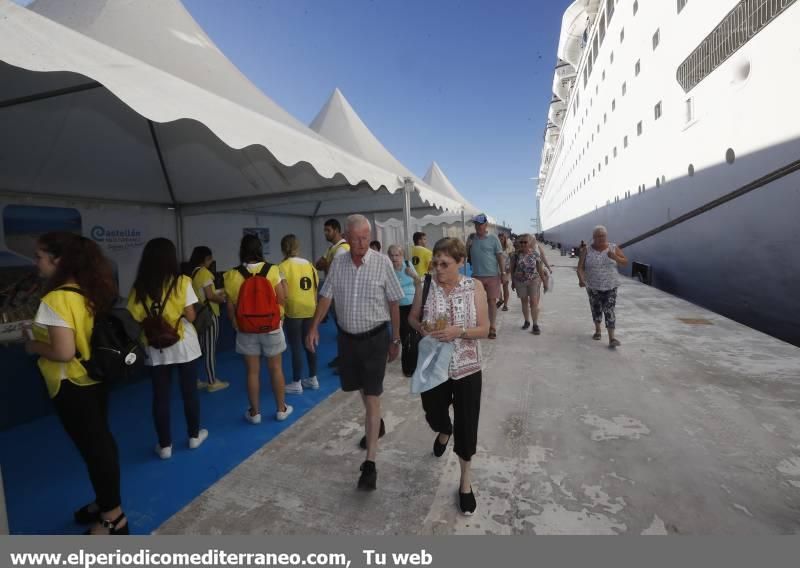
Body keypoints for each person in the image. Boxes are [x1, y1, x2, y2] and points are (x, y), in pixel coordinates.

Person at [25, 232, 128, 535]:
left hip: (71, 383)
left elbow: (63, 351)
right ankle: (106, 502)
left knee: (95, 448)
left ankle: (113, 518)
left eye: (39, 256)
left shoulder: (56, 298)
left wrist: (32, 347)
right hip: (94, 378)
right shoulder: (91, 291)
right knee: (100, 442)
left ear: (59, 261)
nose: (36, 263)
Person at [306, 214, 404, 491]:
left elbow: (394, 303)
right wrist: (313, 326)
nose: (361, 243)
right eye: (356, 238)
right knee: (361, 387)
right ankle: (378, 424)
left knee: (372, 396)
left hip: (375, 340)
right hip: (347, 340)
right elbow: (326, 296)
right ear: (346, 238)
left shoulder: (382, 262)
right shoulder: (338, 263)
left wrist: (395, 339)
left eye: (365, 237)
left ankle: (370, 464)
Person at [408, 237, 489, 516]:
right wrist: (424, 329)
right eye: (435, 263)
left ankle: (465, 482)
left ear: (461, 263)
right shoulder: (426, 284)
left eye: (445, 264)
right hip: (434, 367)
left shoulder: (474, 286)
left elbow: (485, 328)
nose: (438, 269)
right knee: (433, 413)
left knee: (468, 424)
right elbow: (412, 319)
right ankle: (444, 429)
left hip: (467, 367)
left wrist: (460, 332)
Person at [128, 238, 208, 460]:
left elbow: (135, 317)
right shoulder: (181, 281)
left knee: (160, 397)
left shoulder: (138, 287)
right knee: (189, 392)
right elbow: (191, 315)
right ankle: (193, 436)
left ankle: (164, 445)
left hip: (155, 348)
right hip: (183, 346)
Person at [224, 235, 293, 423]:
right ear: (259, 249)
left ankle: (255, 413)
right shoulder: (272, 270)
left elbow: (230, 307)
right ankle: (281, 409)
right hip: (271, 326)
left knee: (252, 372)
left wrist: (235, 322)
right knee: (276, 368)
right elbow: (281, 298)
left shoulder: (231, 275)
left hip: (246, 329)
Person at [279, 234, 319, 394]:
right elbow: (315, 288)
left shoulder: (282, 266)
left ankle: (296, 382)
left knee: (296, 346)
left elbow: (284, 293)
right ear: (297, 247)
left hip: (294, 309)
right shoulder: (309, 265)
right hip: (310, 307)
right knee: (310, 343)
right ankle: (313, 378)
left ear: (283, 248)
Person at [577, 225, 628, 348]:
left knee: (609, 310)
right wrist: (581, 279)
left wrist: (615, 257)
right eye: (598, 236)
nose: (601, 238)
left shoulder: (613, 247)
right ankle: (598, 330)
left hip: (611, 285)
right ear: (593, 237)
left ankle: (612, 338)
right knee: (596, 308)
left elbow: (625, 262)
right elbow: (580, 267)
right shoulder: (587, 250)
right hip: (593, 285)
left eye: (603, 235)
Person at [188, 246, 229, 393]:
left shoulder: (193, 273)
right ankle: (212, 381)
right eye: (210, 259)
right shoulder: (205, 273)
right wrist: (223, 299)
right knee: (210, 349)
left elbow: (203, 293)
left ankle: (194, 379)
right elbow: (211, 296)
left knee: (198, 349)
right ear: (206, 259)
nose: (211, 262)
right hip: (209, 315)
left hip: (197, 314)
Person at [315, 219, 350, 370]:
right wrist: (327, 265)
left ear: (336, 230)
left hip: (341, 293)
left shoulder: (342, 248)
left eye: (328, 230)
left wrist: (327, 264)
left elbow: (333, 268)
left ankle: (347, 361)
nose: (325, 233)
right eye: (325, 230)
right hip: (334, 293)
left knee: (345, 329)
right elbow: (318, 264)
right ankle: (343, 356)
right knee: (340, 329)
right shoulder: (332, 249)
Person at [465, 214, 505, 339]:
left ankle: (492, 326)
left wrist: (503, 273)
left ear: (486, 225)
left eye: (480, 224)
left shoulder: (493, 238)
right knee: (477, 303)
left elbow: (500, 256)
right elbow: (466, 255)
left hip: (492, 275)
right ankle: (482, 325)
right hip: (476, 276)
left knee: (492, 301)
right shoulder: (471, 238)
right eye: (476, 224)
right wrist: (468, 245)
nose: (478, 227)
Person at [387, 244, 422, 377]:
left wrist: (413, 275)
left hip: (413, 304)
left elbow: (418, 281)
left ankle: (412, 366)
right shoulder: (387, 269)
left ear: (402, 256)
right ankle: (408, 367)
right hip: (397, 307)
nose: (395, 258)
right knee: (404, 335)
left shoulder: (408, 264)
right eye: (392, 255)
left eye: (397, 255)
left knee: (413, 335)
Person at [510, 234, 549, 334]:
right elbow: (512, 269)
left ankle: (535, 324)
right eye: (521, 242)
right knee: (524, 302)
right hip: (520, 281)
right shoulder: (515, 255)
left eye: (525, 242)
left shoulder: (535, 254)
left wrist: (544, 282)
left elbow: (540, 269)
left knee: (534, 302)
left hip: (533, 280)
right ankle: (527, 321)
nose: (523, 244)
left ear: (529, 243)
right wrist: (513, 282)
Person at [497, 232, 515, 312]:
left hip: (506, 270)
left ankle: (505, 304)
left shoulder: (509, 248)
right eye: (499, 238)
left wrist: (510, 268)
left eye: (502, 238)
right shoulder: (496, 247)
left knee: (505, 287)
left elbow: (512, 259)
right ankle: (500, 299)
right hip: (496, 270)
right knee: (497, 286)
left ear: (505, 239)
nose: (500, 240)